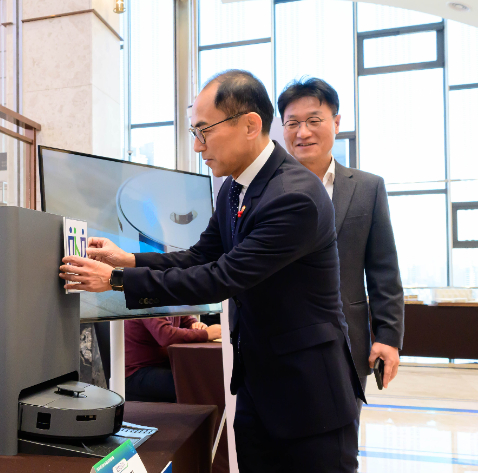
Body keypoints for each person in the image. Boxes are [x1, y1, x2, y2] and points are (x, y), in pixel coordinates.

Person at [59, 69, 363, 472]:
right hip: (257, 386)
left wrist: (113, 281)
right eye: (193, 132)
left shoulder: (294, 197)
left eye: (205, 130)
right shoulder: (235, 188)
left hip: (308, 396)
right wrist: (127, 259)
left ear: (250, 125)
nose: (199, 145)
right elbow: (200, 255)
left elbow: (221, 276)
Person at [277, 78, 404, 418]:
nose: (302, 132)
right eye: (292, 123)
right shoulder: (267, 190)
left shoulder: (367, 188)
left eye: (314, 120)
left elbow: (383, 270)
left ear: (336, 122)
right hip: (278, 344)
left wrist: (388, 336)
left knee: (340, 446)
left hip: (346, 343)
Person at [125, 317, 221, 403]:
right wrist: (206, 334)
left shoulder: (171, 303)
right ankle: (189, 421)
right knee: (193, 383)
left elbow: (187, 320)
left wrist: (197, 326)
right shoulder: (150, 301)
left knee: (202, 376)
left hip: (162, 365)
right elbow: (166, 335)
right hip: (137, 372)